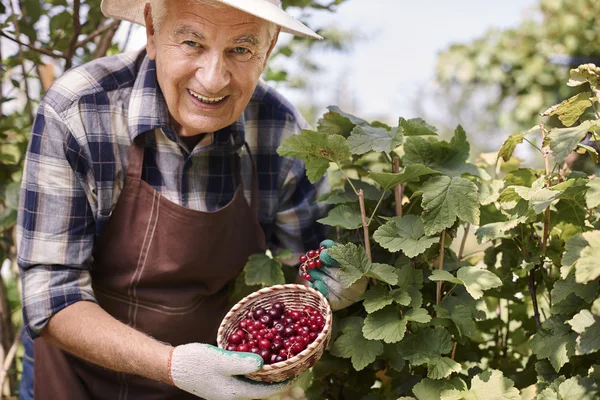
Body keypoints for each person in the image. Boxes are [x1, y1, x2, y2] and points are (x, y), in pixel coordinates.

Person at [15, 0, 334, 398]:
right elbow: (50, 295)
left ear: (267, 51)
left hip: (204, 384)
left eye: (241, 49)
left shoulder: (281, 132)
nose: (214, 79)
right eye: (191, 42)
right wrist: (172, 365)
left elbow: (307, 273)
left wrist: (336, 283)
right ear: (152, 31)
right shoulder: (80, 109)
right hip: (74, 377)